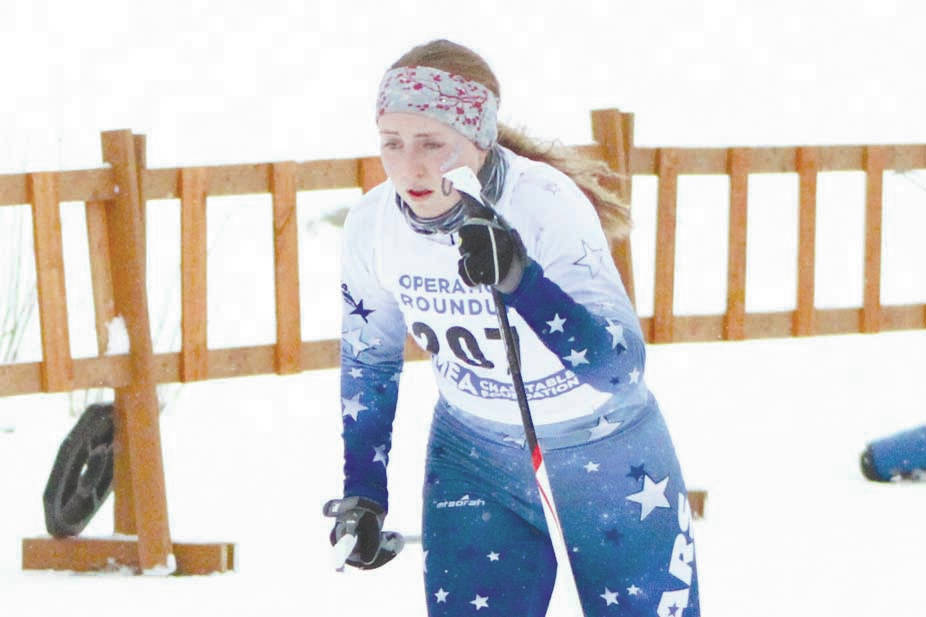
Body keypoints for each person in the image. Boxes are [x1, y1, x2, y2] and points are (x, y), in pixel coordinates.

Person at [325, 39, 700, 617]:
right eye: (392, 144)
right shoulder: (373, 224)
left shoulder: (546, 204)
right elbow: (369, 362)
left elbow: (620, 368)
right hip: (474, 454)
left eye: (433, 143)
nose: (411, 166)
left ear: (478, 139)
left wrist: (522, 279)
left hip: (603, 448)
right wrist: (364, 493)